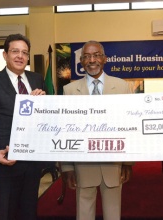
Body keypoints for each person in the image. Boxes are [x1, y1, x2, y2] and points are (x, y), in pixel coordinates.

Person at [0, 34, 47, 220]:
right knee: (6, 214)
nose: (20, 56)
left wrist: (45, 104)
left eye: (25, 52)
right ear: (5, 55)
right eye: (15, 51)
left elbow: (43, 121)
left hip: (32, 164)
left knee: (29, 213)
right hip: (6, 163)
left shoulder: (37, 79)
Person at [61, 40, 134, 220]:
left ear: (104, 59)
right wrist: (67, 167)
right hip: (83, 165)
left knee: (113, 215)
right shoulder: (69, 90)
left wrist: (128, 162)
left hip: (114, 165)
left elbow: (131, 127)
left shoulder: (123, 87)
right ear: (81, 61)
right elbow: (63, 131)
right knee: (84, 215)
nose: (91, 60)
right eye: (86, 56)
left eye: (96, 55)